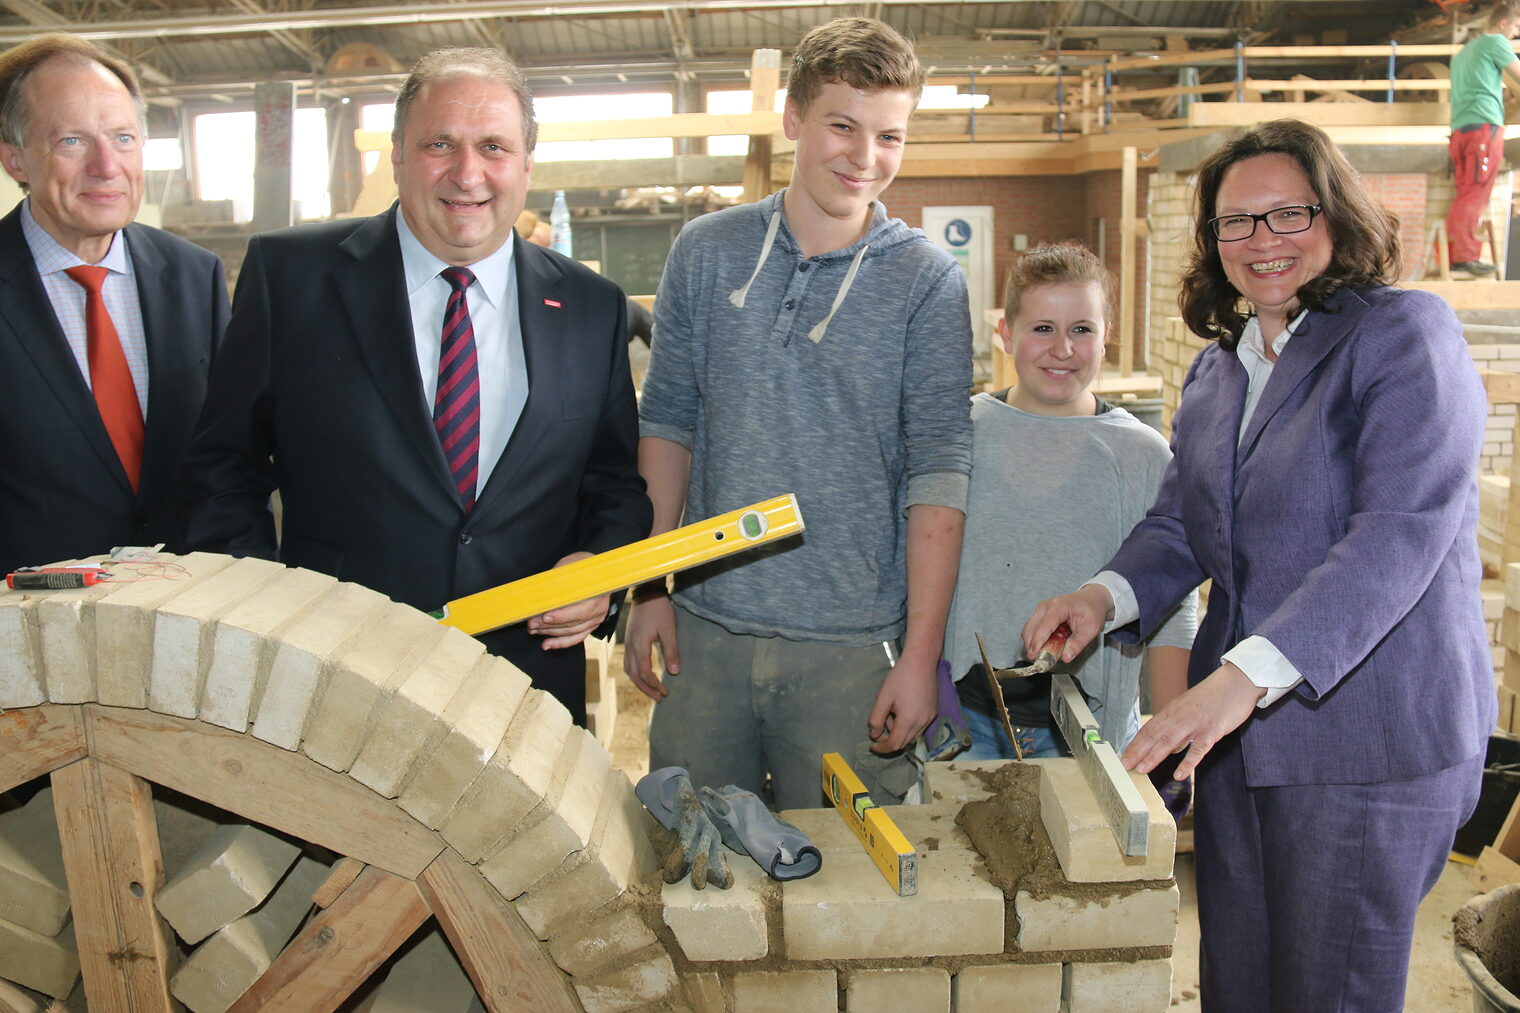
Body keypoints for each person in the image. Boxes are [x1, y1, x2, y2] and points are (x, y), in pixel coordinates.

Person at [1023, 119, 1493, 1011]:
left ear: (1337, 216)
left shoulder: (1401, 337)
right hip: (1239, 745)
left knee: (1330, 991)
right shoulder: (1219, 371)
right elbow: (1181, 525)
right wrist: (1101, 596)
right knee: (1238, 983)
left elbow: (1397, 534)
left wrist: (1238, 681)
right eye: (1236, 222)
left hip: (1367, 740)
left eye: (1288, 214)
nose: (1261, 241)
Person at [182, 47, 650, 726]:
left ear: (525, 164)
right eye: (440, 144)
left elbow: (612, 484)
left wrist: (599, 573)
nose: (468, 173)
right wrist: (267, 617)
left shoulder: (591, 306)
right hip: (335, 680)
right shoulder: (292, 278)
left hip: (523, 688)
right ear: (398, 155)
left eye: (494, 146)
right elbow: (221, 470)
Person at [627, 16, 973, 809]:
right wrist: (649, 589)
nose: (865, 157)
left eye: (890, 136)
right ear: (794, 119)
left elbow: (940, 470)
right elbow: (669, 420)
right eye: (842, 126)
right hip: (704, 633)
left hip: (852, 649)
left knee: (850, 899)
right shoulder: (706, 252)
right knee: (696, 875)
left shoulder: (926, 281)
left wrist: (919, 655)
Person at [944, 243, 1194, 762]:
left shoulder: (1142, 454)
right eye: (1042, 328)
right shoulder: (959, 435)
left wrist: (1170, 744)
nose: (1062, 349)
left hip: (1094, 730)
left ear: (1107, 339)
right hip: (967, 721)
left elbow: (1173, 608)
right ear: (1006, 334)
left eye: (1082, 329)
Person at [0, 33, 229, 575]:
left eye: (123, 138)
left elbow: (229, 451)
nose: (107, 166)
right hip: (29, 620)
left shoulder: (195, 275)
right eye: (72, 142)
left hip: (190, 602)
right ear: (16, 160)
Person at [1445, 0, 1520, 275]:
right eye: (1515, 27)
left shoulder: (1465, 53)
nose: (1514, 34)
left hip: (1460, 131)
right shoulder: (1495, 43)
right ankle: (1465, 257)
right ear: (1502, 23)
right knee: (1475, 195)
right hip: (1483, 130)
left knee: (1465, 194)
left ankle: (1455, 257)